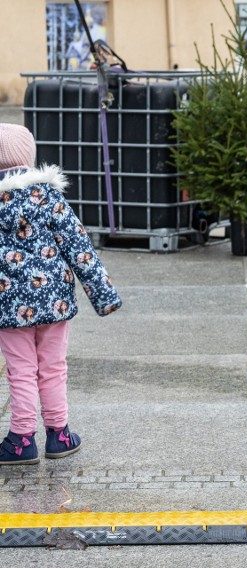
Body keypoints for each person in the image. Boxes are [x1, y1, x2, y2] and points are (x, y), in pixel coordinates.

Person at [0, 124, 122, 465]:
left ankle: (22, 439)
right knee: (53, 367)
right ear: (29, 157)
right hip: (54, 302)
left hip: (8, 307)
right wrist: (103, 294)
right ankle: (59, 434)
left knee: (20, 370)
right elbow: (78, 246)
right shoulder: (49, 197)